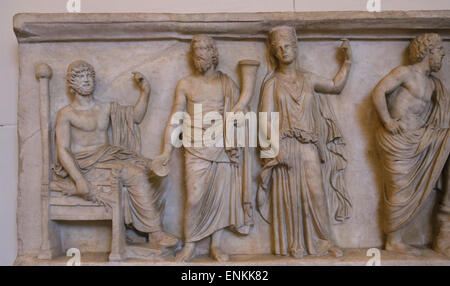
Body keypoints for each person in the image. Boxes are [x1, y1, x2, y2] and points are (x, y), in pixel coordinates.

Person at [54, 60, 178, 248]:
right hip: (85, 165)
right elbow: (63, 149)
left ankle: (138, 226)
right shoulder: (66, 114)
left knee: (156, 170)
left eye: (89, 75)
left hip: (108, 157)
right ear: (71, 83)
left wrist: (145, 92)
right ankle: (156, 232)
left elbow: (135, 117)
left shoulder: (105, 107)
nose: (86, 79)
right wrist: (78, 179)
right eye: (80, 76)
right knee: (133, 173)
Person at [153, 35, 253, 262]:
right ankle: (190, 244)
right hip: (196, 145)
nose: (199, 54)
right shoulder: (186, 83)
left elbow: (244, 114)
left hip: (222, 144)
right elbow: (176, 118)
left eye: (204, 50)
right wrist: (166, 151)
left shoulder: (226, 83)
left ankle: (215, 246)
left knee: (221, 197)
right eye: (195, 50)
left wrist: (238, 119)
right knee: (194, 197)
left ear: (213, 53)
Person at [258, 26, 352, 258]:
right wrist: (276, 149)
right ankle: (295, 243)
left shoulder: (308, 78)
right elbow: (264, 119)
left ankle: (324, 241)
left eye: (287, 45)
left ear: (296, 47)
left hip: (309, 144)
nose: (284, 51)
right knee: (290, 196)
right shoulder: (272, 83)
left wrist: (347, 62)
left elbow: (335, 85)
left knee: (316, 192)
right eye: (279, 48)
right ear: (274, 52)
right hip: (285, 145)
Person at [372, 33, 449, 256]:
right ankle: (393, 240)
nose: (443, 54)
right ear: (428, 51)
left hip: (420, 138)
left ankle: (445, 222)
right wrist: (387, 121)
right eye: (440, 50)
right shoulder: (405, 72)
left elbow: (441, 113)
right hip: (398, 140)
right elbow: (379, 91)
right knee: (400, 189)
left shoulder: (433, 85)